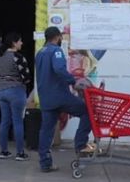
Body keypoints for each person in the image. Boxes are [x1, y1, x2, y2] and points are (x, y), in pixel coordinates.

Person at [35, 26, 92, 173]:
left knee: (46, 131)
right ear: (57, 37)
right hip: (60, 96)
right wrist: (74, 82)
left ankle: (45, 164)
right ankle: (80, 145)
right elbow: (59, 70)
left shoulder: (40, 53)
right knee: (87, 112)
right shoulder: (56, 51)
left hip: (46, 98)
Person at [0, 32, 32, 161]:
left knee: (5, 121)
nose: (21, 43)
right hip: (16, 91)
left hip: (1, 90)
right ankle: (20, 153)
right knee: (17, 121)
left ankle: (4, 151)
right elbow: (26, 77)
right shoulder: (18, 57)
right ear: (14, 43)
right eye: (20, 41)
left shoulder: (0, 56)